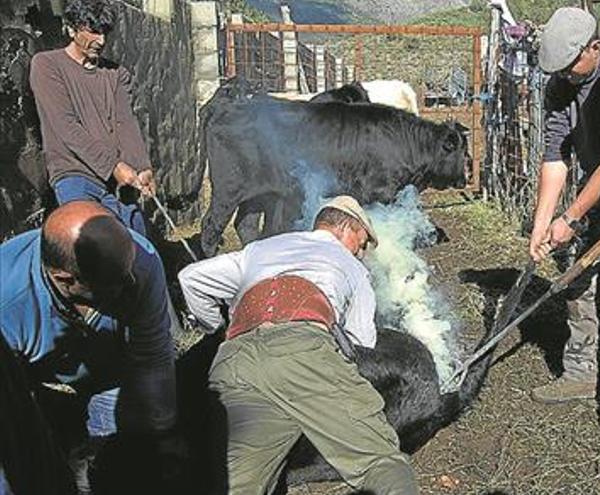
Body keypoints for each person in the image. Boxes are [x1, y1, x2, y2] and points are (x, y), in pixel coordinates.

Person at [178, 195, 417, 495]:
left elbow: (191, 279)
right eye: (363, 241)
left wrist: (217, 327)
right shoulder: (350, 265)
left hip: (234, 363)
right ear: (347, 228)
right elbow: (360, 342)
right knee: (382, 464)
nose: (363, 251)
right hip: (304, 350)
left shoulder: (259, 249)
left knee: (237, 486)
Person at [0, 201, 179, 493]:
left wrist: (163, 432)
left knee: (117, 466)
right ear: (65, 279)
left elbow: (153, 356)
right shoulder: (8, 301)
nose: (132, 281)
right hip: (29, 379)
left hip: (113, 371)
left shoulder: (138, 259)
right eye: (116, 281)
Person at [526, 7, 600, 428]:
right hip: (592, 195)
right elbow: (555, 155)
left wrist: (569, 217)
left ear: (595, 47)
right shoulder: (561, 84)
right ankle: (579, 372)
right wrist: (543, 222)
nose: (567, 77)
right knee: (578, 280)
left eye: (572, 67)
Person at [29, 0, 155, 235]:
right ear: (71, 28)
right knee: (94, 245)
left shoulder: (116, 74)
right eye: (94, 32)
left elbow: (125, 122)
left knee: (137, 244)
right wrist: (113, 166)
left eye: (105, 32)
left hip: (118, 180)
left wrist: (142, 166)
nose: (102, 41)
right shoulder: (47, 65)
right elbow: (66, 128)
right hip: (75, 175)